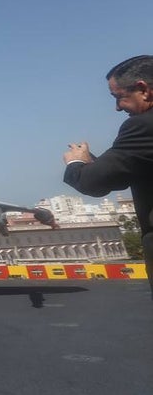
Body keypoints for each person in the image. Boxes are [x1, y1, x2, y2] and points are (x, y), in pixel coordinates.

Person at [63, 55, 153, 297]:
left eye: (119, 97)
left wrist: (76, 162)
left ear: (143, 90)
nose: (117, 107)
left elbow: (95, 184)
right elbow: (126, 167)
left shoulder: (143, 126)